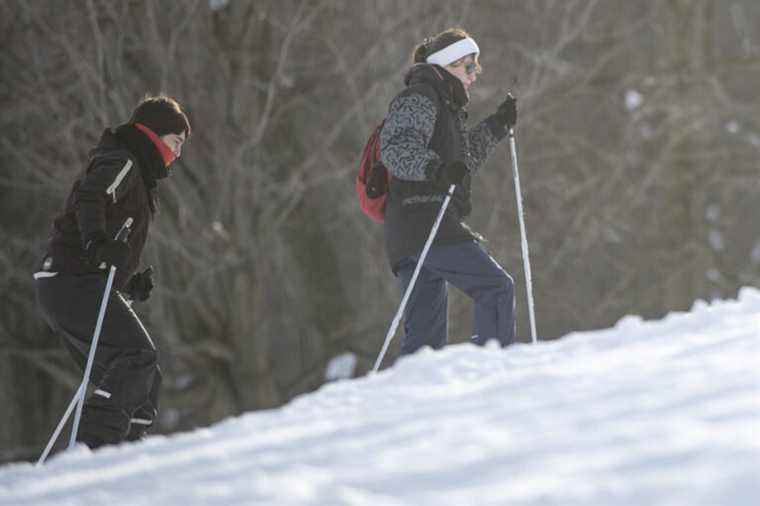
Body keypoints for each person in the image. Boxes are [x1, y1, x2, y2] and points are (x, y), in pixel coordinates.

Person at [34, 95, 190, 449]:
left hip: (68, 283)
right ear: (153, 134)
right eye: (175, 142)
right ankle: (93, 449)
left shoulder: (135, 170)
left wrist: (126, 280)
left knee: (142, 376)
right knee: (137, 357)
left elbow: (108, 244)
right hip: (70, 281)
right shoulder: (123, 161)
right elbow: (91, 198)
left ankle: (124, 453)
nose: (178, 154)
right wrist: (97, 244)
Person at [380, 28, 518, 356]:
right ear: (446, 65)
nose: (474, 74)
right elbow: (396, 146)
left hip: (411, 229)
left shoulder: (445, 108)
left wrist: (497, 125)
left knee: (424, 345)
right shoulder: (420, 96)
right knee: (496, 288)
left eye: (476, 67)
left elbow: (461, 161)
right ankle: (491, 374)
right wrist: (434, 170)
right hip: (426, 218)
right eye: (468, 66)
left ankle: (416, 402)